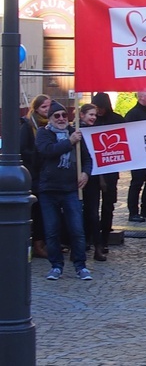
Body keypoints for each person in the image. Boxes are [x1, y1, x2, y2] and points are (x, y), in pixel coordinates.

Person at [35, 100, 93, 280]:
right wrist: (69, 142)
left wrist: (85, 173)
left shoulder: (74, 133)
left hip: (70, 190)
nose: (61, 119)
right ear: (50, 118)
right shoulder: (44, 134)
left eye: (63, 115)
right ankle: (56, 266)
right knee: (52, 230)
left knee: (77, 229)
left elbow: (87, 159)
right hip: (49, 189)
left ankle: (80, 265)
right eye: (56, 116)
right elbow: (48, 151)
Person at [90, 92, 125, 255]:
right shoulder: (91, 121)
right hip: (92, 171)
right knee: (92, 206)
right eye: (96, 108)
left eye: (101, 108)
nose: (99, 111)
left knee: (108, 205)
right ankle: (93, 238)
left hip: (110, 170)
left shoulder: (117, 119)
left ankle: (104, 238)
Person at [20, 93, 51, 259]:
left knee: (45, 211)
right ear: (36, 108)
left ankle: (45, 241)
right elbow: (22, 149)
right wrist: (38, 154)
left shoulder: (51, 125)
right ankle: (36, 244)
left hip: (47, 175)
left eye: (49, 106)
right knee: (36, 211)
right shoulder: (28, 125)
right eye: (43, 107)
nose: (47, 110)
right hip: (34, 175)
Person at [79, 103, 107, 261]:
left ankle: (97, 246)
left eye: (95, 115)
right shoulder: (74, 131)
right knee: (78, 214)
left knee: (93, 214)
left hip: (93, 178)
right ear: (82, 115)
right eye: (90, 114)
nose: (93, 118)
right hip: (76, 178)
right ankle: (79, 246)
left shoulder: (96, 131)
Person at [124, 92, 146, 222]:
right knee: (137, 183)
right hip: (137, 154)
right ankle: (133, 212)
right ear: (140, 97)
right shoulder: (133, 114)